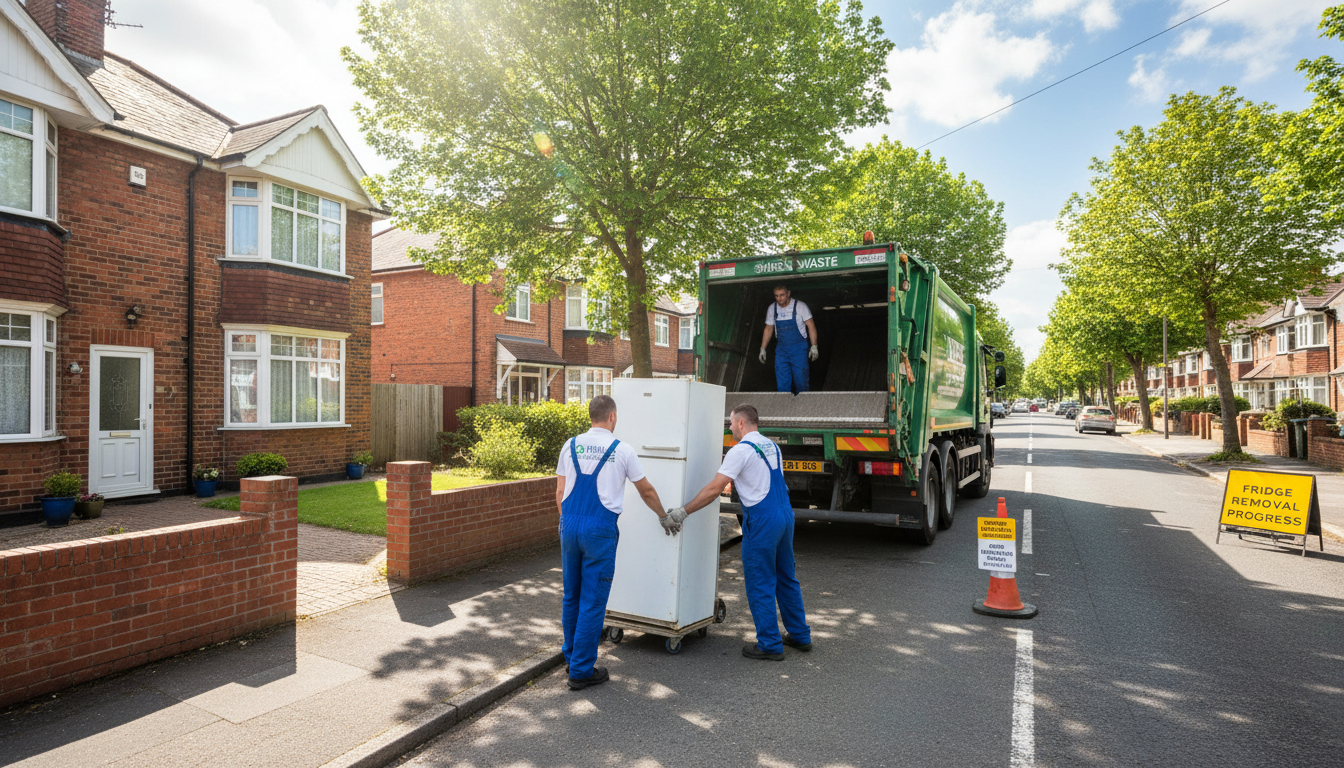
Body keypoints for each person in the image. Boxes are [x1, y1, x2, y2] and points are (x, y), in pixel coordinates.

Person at [665, 403, 811, 661]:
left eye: (731, 422)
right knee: (786, 577)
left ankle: (769, 644)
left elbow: (714, 489)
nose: (730, 427)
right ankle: (800, 635)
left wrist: (683, 511)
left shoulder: (740, 451)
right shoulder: (772, 446)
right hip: (785, 516)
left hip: (763, 521)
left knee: (761, 582)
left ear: (742, 423)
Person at [555, 394, 679, 690]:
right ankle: (581, 671)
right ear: (612, 417)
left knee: (571, 595)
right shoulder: (621, 450)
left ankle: (572, 657)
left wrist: (568, 523)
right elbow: (646, 491)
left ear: (590, 416)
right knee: (592, 600)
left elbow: (559, 492)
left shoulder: (570, 445)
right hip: (599, 530)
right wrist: (664, 516)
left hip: (569, 524)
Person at [758, 284, 819, 394]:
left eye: (782, 295)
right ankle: (783, 407)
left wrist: (814, 346)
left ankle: (803, 406)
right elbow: (768, 328)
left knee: (801, 380)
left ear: (788, 293)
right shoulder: (772, 308)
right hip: (782, 350)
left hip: (799, 349)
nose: (779, 298)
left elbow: (811, 326)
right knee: (782, 382)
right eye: (776, 296)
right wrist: (763, 348)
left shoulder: (800, 306)